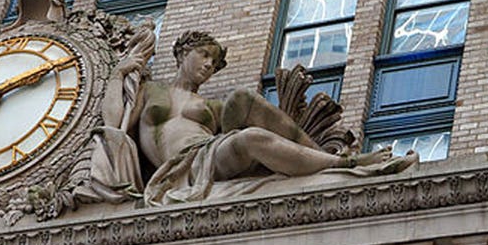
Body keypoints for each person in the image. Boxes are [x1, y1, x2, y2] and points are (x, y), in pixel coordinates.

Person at [108, 30, 415, 205]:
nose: (208, 65)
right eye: (204, 55)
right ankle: (340, 164)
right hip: (178, 169)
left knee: (243, 104)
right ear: (182, 53)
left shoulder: (209, 106)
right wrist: (120, 72)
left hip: (207, 157)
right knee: (250, 136)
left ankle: (333, 161)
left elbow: (231, 122)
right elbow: (113, 122)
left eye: (214, 63)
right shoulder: (150, 91)